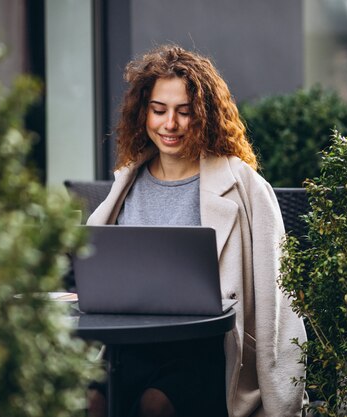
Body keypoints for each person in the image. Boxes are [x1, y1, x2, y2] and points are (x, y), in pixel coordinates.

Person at [86, 45, 307, 417]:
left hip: (206, 353)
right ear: (143, 114)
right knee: (90, 403)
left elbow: (279, 302)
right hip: (130, 348)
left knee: (155, 405)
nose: (169, 124)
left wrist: (284, 401)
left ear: (204, 116)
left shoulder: (243, 186)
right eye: (158, 110)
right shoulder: (126, 182)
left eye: (184, 112)